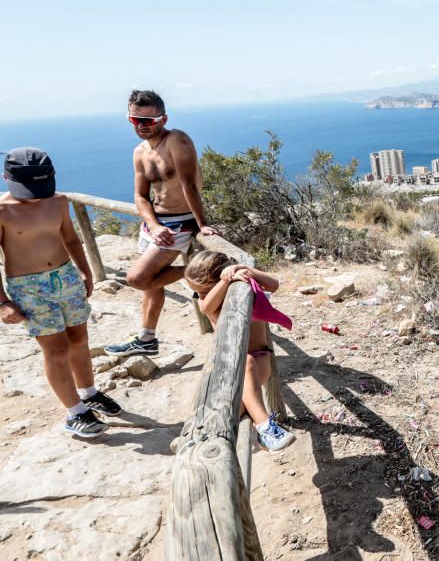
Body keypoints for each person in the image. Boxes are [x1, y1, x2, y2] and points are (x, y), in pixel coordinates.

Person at [0, 147, 121, 437]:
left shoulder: (58, 201)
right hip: (28, 287)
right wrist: (3, 302)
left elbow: (69, 237)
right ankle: (75, 413)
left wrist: (85, 271)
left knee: (79, 339)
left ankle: (89, 393)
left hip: (66, 277)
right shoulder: (2, 211)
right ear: (6, 177)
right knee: (56, 350)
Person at [105, 90, 218, 358]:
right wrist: (153, 226)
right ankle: (146, 338)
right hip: (154, 224)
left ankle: (203, 272)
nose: (142, 126)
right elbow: (140, 196)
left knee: (138, 278)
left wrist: (202, 224)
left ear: (163, 118)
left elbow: (189, 185)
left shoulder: (176, 140)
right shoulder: (139, 152)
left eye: (149, 120)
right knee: (151, 285)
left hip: (180, 222)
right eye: (136, 120)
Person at [184, 251, 294, 451]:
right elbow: (205, 307)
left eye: (202, 290)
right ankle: (198, 440)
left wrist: (244, 270)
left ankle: (264, 427)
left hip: (258, 361)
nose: (199, 296)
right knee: (232, 411)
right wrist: (224, 282)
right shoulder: (208, 297)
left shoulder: (244, 285)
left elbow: (274, 285)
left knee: (247, 367)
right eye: (195, 292)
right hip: (227, 367)